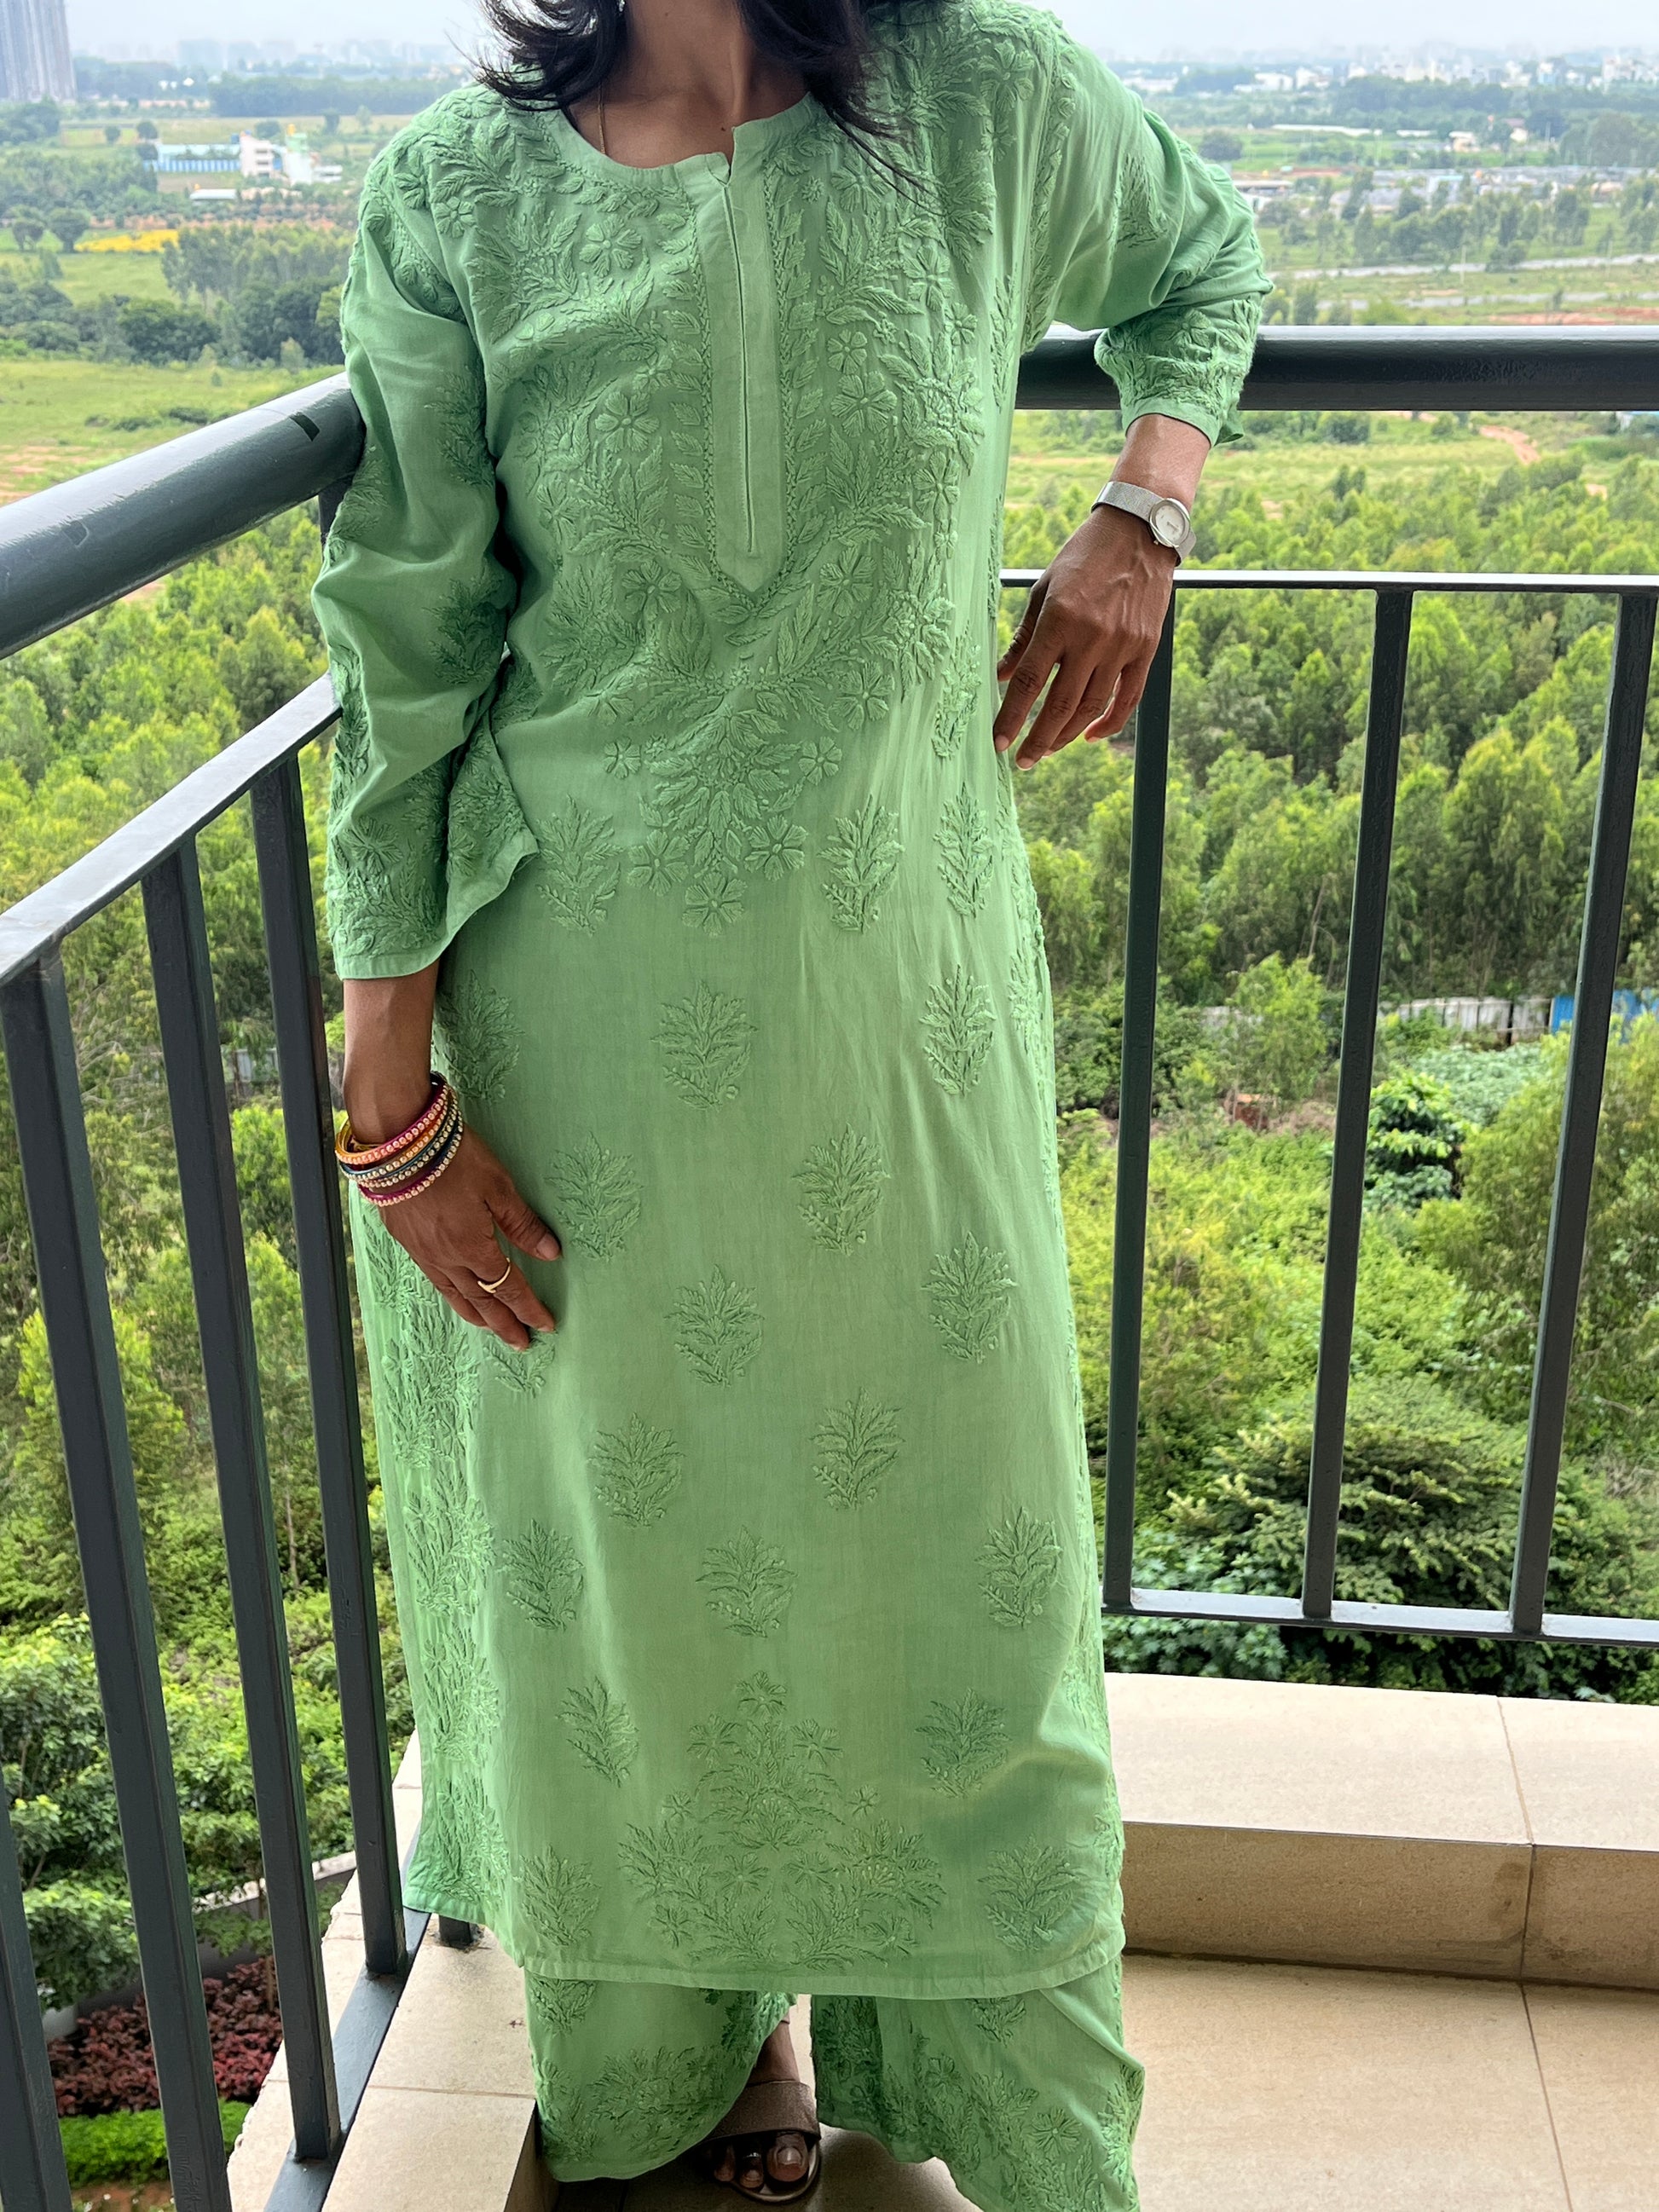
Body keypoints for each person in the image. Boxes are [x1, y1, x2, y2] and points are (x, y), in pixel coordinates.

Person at [313, 1, 1267, 2203]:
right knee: (642, 1596)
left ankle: (1008, 2113)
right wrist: (389, 1097)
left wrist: (1143, 510)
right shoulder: (457, 196)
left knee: (965, 1589)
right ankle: (683, 2065)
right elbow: (408, 651)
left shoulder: (985, 95)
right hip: (582, 1057)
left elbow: (1203, 260)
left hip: (895, 1017)